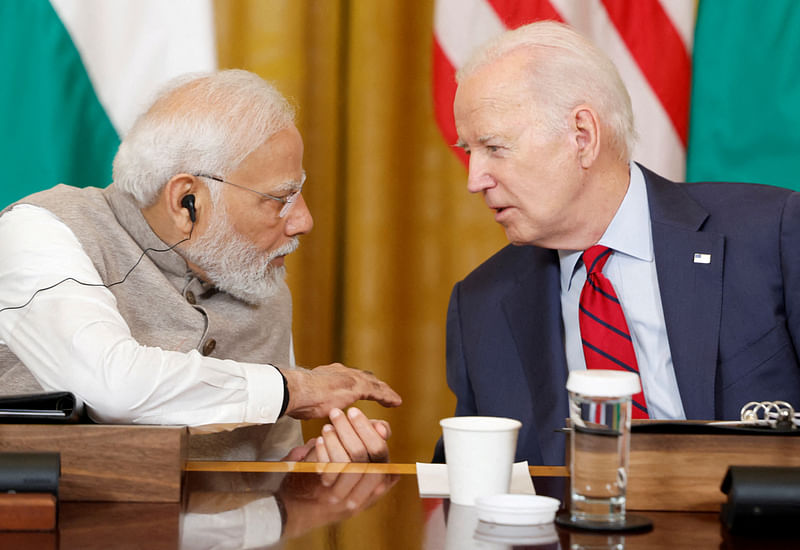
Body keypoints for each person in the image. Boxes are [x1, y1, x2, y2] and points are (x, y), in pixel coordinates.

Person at [436, 21, 800, 466]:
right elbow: (472, 476)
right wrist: (359, 470)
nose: (475, 180)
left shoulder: (771, 234)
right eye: (469, 151)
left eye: (493, 147)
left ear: (583, 137)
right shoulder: (480, 304)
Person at [0, 69, 401, 462]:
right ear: (185, 201)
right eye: (280, 198)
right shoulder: (41, 230)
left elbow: (263, 473)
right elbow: (111, 388)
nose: (304, 221)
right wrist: (295, 387)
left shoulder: (258, 275)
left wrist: (308, 476)